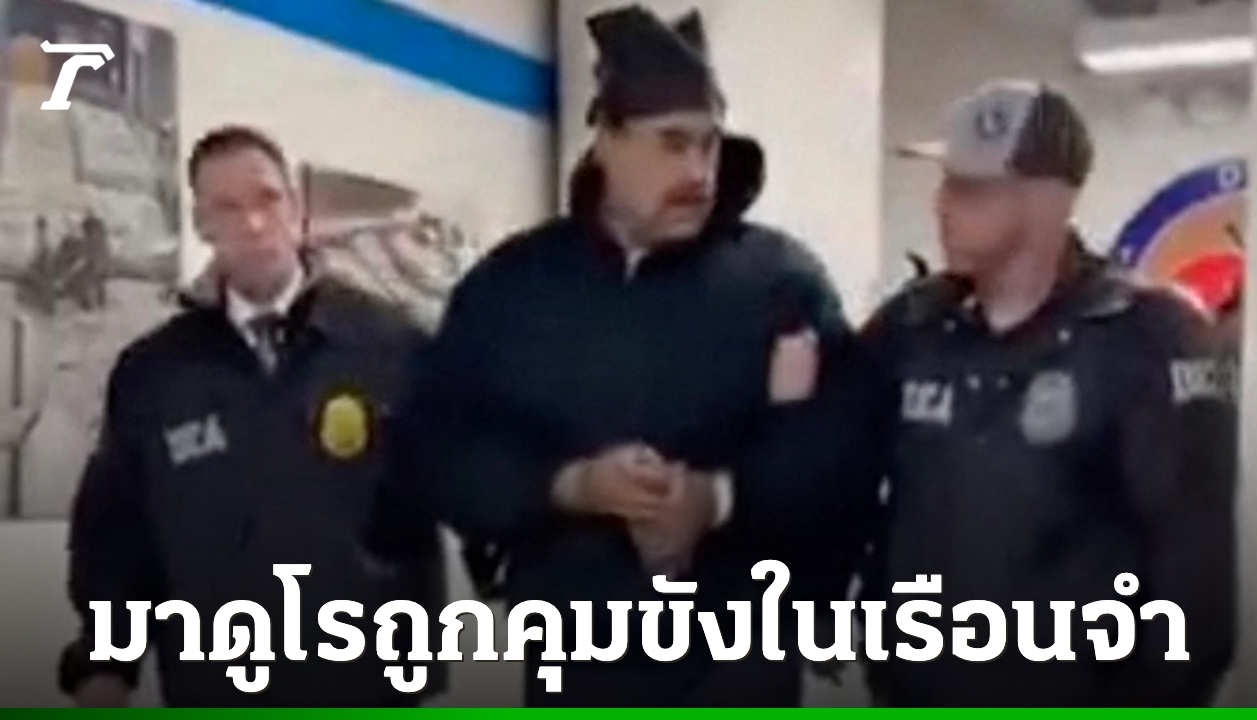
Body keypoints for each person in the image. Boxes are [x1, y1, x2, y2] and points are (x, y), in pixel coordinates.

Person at [376, 4, 880, 708]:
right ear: (607, 140)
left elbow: (844, 449)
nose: (698, 170)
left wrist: (717, 497)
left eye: (708, 144)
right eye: (672, 144)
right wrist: (568, 485)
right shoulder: (513, 287)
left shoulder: (779, 284)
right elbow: (438, 447)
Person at [861, 80, 1238, 707]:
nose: (942, 205)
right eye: (946, 183)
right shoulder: (914, 327)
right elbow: (836, 476)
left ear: (1045, 201)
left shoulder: (1148, 338)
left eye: (971, 189)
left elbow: (1196, 587)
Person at [59, 126, 448, 708]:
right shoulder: (154, 374)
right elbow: (115, 540)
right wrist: (105, 666)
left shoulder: (391, 346)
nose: (256, 223)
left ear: (296, 209)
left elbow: (464, 484)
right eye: (229, 208)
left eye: (269, 199)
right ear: (202, 225)